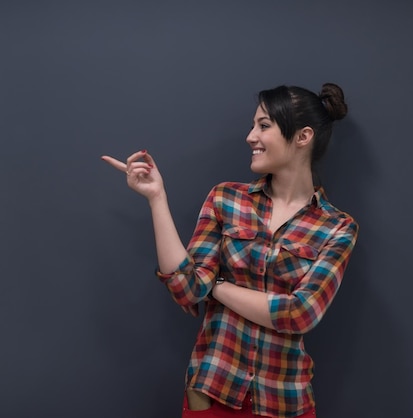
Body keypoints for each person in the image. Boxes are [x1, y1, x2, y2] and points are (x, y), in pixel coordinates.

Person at [101, 83, 359, 417]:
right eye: (253, 125)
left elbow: (298, 314)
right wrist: (156, 198)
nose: (250, 136)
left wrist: (217, 285)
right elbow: (188, 288)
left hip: (284, 401)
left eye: (264, 125)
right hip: (212, 392)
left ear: (303, 136)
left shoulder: (337, 227)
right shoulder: (225, 199)